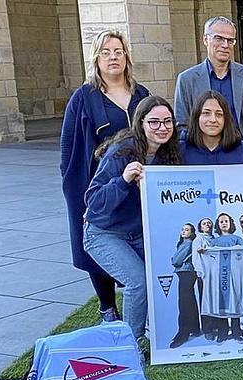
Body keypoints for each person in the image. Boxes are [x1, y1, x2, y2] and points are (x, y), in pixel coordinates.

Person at [60, 29, 150, 324]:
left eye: (118, 51)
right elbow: (68, 145)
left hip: (136, 185)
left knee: (135, 238)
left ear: (127, 57)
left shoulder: (141, 94)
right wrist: (76, 190)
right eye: (106, 52)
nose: (113, 57)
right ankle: (107, 307)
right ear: (96, 59)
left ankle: (142, 305)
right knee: (101, 237)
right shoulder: (84, 97)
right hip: (97, 183)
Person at [83, 95, 183, 344]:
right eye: (155, 122)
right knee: (138, 282)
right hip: (104, 232)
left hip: (139, 233)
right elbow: (93, 202)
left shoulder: (167, 153)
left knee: (171, 271)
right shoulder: (121, 152)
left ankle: (158, 329)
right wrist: (123, 181)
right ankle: (130, 346)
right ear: (141, 123)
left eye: (168, 122)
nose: (162, 128)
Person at [174, 16, 243, 153]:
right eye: (219, 38)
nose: (225, 45)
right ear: (206, 39)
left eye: (230, 40)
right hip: (203, 157)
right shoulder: (186, 79)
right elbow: (182, 125)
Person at [201, 213, 243, 344]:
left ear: (230, 223)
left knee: (235, 300)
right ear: (218, 225)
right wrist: (203, 252)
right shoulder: (214, 241)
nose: (224, 223)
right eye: (221, 222)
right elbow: (209, 256)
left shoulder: (237, 239)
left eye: (226, 221)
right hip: (219, 277)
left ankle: (237, 331)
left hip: (235, 276)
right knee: (221, 303)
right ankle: (222, 331)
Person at [179, 90, 243, 164]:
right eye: (206, 113)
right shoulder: (181, 151)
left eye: (219, 114)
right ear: (196, 117)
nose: (213, 120)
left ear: (226, 119)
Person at [169, 223, 201, 348]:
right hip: (189, 272)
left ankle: (184, 332)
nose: (183, 231)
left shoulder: (187, 243)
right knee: (190, 300)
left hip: (185, 272)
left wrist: (173, 260)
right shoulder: (185, 243)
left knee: (184, 302)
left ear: (192, 233)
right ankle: (195, 328)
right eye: (182, 229)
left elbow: (175, 261)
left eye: (187, 230)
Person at [191, 217, 219, 340]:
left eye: (209, 223)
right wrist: (199, 271)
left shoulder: (215, 239)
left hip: (216, 274)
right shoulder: (198, 239)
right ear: (200, 227)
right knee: (206, 302)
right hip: (204, 275)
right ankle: (208, 329)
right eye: (204, 223)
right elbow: (195, 257)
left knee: (216, 301)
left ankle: (218, 326)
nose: (207, 225)